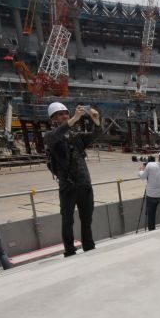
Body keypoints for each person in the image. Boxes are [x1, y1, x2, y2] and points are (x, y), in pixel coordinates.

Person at [45, 101, 103, 256]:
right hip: (68, 185)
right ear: (53, 119)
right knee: (67, 220)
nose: (64, 116)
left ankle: (89, 246)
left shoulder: (76, 137)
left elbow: (96, 136)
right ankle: (69, 249)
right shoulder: (50, 137)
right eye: (60, 114)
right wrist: (75, 118)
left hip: (84, 183)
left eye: (66, 113)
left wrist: (96, 120)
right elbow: (58, 134)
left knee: (87, 218)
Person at [139, 147, 160, 230]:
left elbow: (143, 177)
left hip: (151, 196)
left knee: (151, 215)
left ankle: (151, 230)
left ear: (159, 156)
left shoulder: (150, 165)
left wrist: (141, 170)